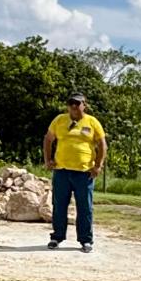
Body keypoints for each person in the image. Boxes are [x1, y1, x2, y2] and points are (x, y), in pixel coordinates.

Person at [43, 92, 106, 253]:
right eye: (71, 103)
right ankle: (57, 237)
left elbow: (102, 145)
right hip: (62, 171)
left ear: (84, 105)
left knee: (85, 207)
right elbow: (48, 140)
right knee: (59, 205)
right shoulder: (59, 120)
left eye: (77, 103)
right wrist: (48, 160)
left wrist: (97, 166)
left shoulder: (92, 122)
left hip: (84, 173)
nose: (74, 106)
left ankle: (86, 240)